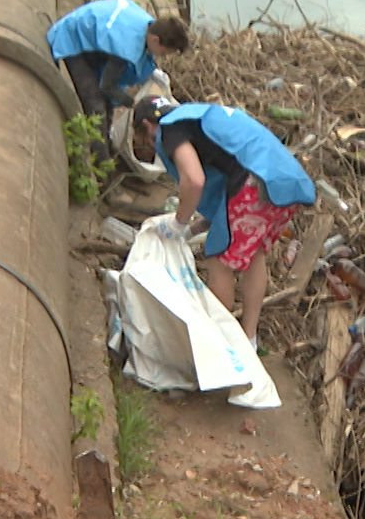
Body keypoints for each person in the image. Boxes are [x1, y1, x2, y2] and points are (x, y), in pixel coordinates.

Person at [133, 96, 317, 343]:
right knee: (255, 256)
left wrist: (178, 223)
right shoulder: (198, 117)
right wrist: (200, 224)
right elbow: (226, 164)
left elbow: (195, 180)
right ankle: (248, 338)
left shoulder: (170, 129)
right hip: (282, 184)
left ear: (147, 125)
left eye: (146, 140)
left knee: (219, 259)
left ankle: (216, 340)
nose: (152, 146)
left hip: (252, 186)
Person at [47, 0, 189, 120]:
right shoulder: (126, 46)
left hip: (93, 44)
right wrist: (134, 104)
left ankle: (107, 146)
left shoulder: (148, 26)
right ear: (155, 40)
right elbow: (107, 87)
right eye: (163, 53)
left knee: (108, 104)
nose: (160, 57)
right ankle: (93, 149)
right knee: (97, 109)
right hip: (73, 38)